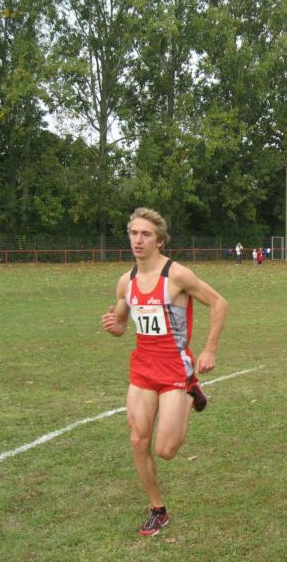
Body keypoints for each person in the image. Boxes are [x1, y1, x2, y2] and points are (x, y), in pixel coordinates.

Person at [101, 208, 227, 536]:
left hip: (175, 368)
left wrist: (209, 349)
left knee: (165, 450)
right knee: (137, 439)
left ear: (159, 240)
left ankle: (191, 391)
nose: (138, 240)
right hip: (143, 369)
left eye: (146, 234)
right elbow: (122, 325)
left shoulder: (177, 275)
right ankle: (158, 509)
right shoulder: (125, 282)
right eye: (134, 233)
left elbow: (219, 303)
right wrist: (114, 325)